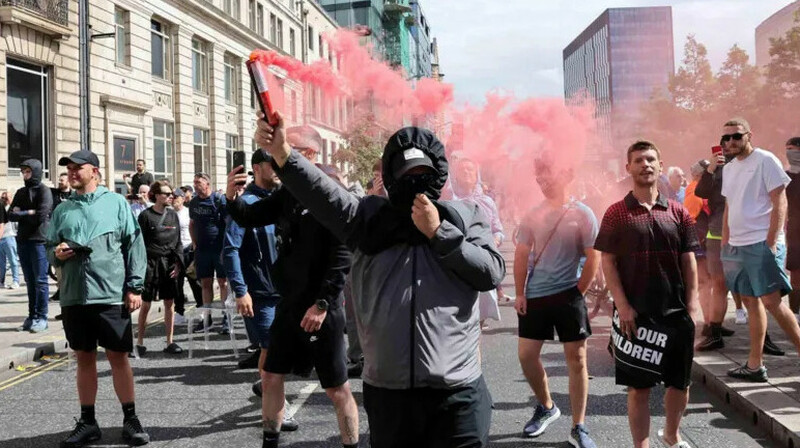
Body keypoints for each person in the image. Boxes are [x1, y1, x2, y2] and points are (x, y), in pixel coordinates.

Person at [251, 111, 505, 448]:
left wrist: (439, 233)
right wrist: (283, 153)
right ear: (391, 176)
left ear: (438, 174)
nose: (414, 181)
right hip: (390, 394)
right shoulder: (366, 219)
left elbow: (489, 271)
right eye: (406, 173)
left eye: (422, 173)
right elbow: (321, 192)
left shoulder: (467, 216)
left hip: (457, 394)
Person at [227, 126, 358, 448]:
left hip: (320, 310)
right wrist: (231, 196)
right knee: (271, 376)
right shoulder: (289, 191)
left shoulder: (330, 189)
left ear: (309, 154)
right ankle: (269, 441)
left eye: (283, 148)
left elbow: (343, 254)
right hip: (289, 304)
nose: (274, 156)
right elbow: (250, 216)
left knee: (336, 388)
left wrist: (323, 304)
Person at [596, 140, 699, 448]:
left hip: (675, 312)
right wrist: (623, 306)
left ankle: (671, 435)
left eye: (651, 159)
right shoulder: (615, 213)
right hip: (635, 315)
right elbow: (608, 261)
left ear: (661, 165)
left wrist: (693, 305)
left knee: (679, 384)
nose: (645, 165)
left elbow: (688, 260)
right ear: (628, 168)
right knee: (638, 388)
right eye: (639, 160)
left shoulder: (679, 213)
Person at [46, 150, 149, 447]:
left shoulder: (116, 203)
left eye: (79, 168)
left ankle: (130, 419)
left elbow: (134, 246)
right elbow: (49, 247)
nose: (73, 172)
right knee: (84, 358)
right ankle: (88, 421)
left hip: (111, 294)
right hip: (74, 296)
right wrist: (57, 254)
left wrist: (134, 287)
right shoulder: (63, 209)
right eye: (70, 169)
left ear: (95, 172)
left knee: (118, 357)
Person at [513, 156, 600, 448]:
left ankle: (579, 426)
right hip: (536, 294)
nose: (543, 181)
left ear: (566, 174)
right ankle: (547, 406)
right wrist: (521, 292)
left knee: (577, 360)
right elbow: (522, 254)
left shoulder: (583, 213)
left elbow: (593, 256)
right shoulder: (532, 214)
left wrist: (579, 292)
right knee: (526, 356)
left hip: (568, 295)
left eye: (548, 175)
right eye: (539, 177)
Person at [223, 150, 300, 432]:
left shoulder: (282, 199)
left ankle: (265, 383)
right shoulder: (246, 203)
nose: (278, 167)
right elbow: (230, 249)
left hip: (286, 291)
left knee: (285, 351)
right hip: (260, 294)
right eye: (271, 163)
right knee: (272, 349)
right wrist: (240, 290)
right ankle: (278, 406)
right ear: (257, 167)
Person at [719, 118, 800, 382]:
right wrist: (725, 240)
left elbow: (780, 199)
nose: (730, 142)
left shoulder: (765, 160)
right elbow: (730, 206)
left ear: (748, 135)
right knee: (753, 302)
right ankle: (755, 366)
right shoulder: (730, 169)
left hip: (761, 243)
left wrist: (772, 239)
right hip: (737, 245)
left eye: (736, 136)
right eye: (726, 138)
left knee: (772, 303)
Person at [451, 157, 506, 328]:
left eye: (470, 169)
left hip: (482, 261)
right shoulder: (449, 200)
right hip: (457, 262)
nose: (467, 172)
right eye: (462, 169)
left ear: (476, 176)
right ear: (455, 176)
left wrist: (496, 240)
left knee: (479, 320)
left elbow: (498, 229)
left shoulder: (487, 202)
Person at [135, 181, 183, 356]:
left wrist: (178, 264)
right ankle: (139, 343)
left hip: (169, 264)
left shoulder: (173, 216)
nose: (171, 196)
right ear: (156, 195)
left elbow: (178, 242)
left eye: (171, 194)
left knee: (169, 303)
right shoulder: (145, 216)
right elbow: (138, 244)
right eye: (166, 193)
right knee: (145, 304)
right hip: (150, 264)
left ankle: (170, 342)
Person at [9, 159, 53, 332]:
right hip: (23, 240)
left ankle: (42, 317)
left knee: (40, 280)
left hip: (39, 240)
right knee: (29, 281)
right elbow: (10, 215)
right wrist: (29, 212)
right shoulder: (21, 192)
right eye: (23, 172)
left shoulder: (44, 191)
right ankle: (32, 316)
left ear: (35, 172)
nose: (25, 175)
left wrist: (22, 212)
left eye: (28, 171)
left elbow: (41, 216)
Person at [189, 173, 229, 334]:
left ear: (207, 183)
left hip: (219, 249)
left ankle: (227, 319)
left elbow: (228, 223)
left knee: (223, 282)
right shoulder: (193, 202)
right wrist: (194, 242)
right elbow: (191, 224)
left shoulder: (219, 200)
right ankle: (207, 319)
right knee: (205, 283)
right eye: (194, 182)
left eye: (198, 182)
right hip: (202, 250)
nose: (195, 185)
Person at [170, 189, 194, 322]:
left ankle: (202, 311)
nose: (174, 199)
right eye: (172, 197)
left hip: (188, 250)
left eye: (176, 197)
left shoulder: (188, 212)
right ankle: (179, 312)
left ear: (183, 198)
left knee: (194, 282)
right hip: (175, 253)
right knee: (176, 284)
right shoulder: (169, 214)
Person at [784, 137, 800, 322]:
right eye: (787, 149)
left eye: (793, 148)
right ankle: (795, 313)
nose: (789, 152)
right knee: (795, 273)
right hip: (794, 231)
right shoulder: (785, 176)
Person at [0, 191, 20, 289]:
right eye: (2, 198)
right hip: (1, 238)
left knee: (13, 260)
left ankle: (16, 280)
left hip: (10, 236)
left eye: (6, 197)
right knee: (1, 263)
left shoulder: (13, 209)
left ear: (11, 198)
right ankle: (1, 281)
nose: (4, 199)